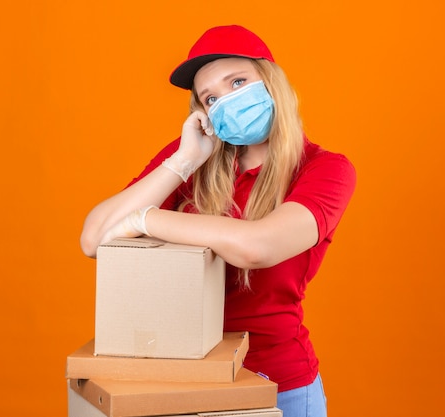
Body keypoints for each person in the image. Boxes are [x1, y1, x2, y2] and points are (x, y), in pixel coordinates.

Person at [80, 24, 356, 417]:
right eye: (210, 98)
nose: (225, 101)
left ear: (271, 82)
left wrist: (147, 219)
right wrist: (183, 161)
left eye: (238, 82)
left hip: (276, 384)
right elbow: (93, 238)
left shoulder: (325, 170)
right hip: (187, 382)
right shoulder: (193, 159)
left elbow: (257, 247)